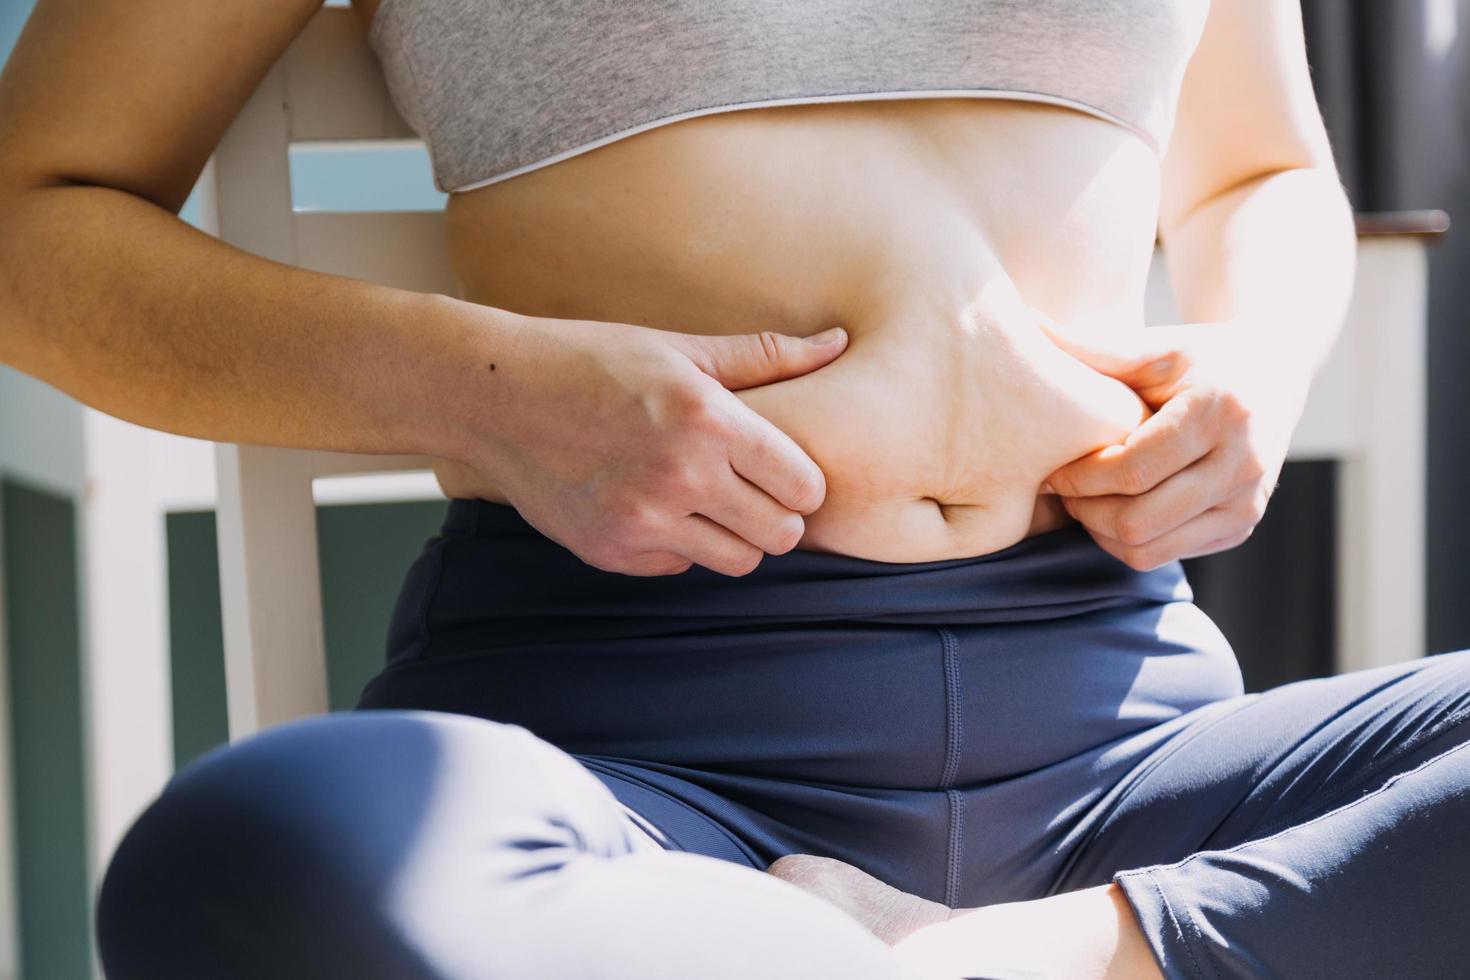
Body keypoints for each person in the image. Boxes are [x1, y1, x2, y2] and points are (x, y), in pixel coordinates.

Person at [1, 0, 1465, 977]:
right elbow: (30, 217)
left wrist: (1254, 366)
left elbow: (1262, 172)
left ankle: (1030, 956)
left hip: (1127, 744)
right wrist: (480, 389)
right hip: (635, 757)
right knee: (257, 851)